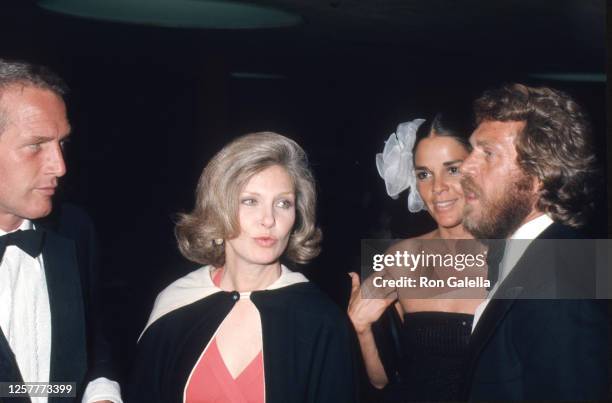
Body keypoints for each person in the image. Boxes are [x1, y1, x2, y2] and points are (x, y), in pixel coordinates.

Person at [128, 132, 356, 403]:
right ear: (218, 208)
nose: (269, 219)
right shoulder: (174, 303)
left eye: (283, 203)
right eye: (250, 201)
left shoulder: (323, 322)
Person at [460, 83, 608, 400]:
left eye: (487, 153)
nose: (465, 167)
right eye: (472, 149)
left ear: (540, 175)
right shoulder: (526, 258)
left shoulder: (568, 280)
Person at [0, 59, 121, 402]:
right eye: (36, 145)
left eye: (62, 144)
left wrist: (101, 393)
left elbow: (91, 340)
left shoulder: (73, 230)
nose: (60, 166)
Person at [348, 113, 485, 402]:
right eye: (424, 174)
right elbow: (382, 380)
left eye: (453, 170)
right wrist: (362, 329)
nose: (437, 187)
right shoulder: (402, 258)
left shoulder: (519, 256)